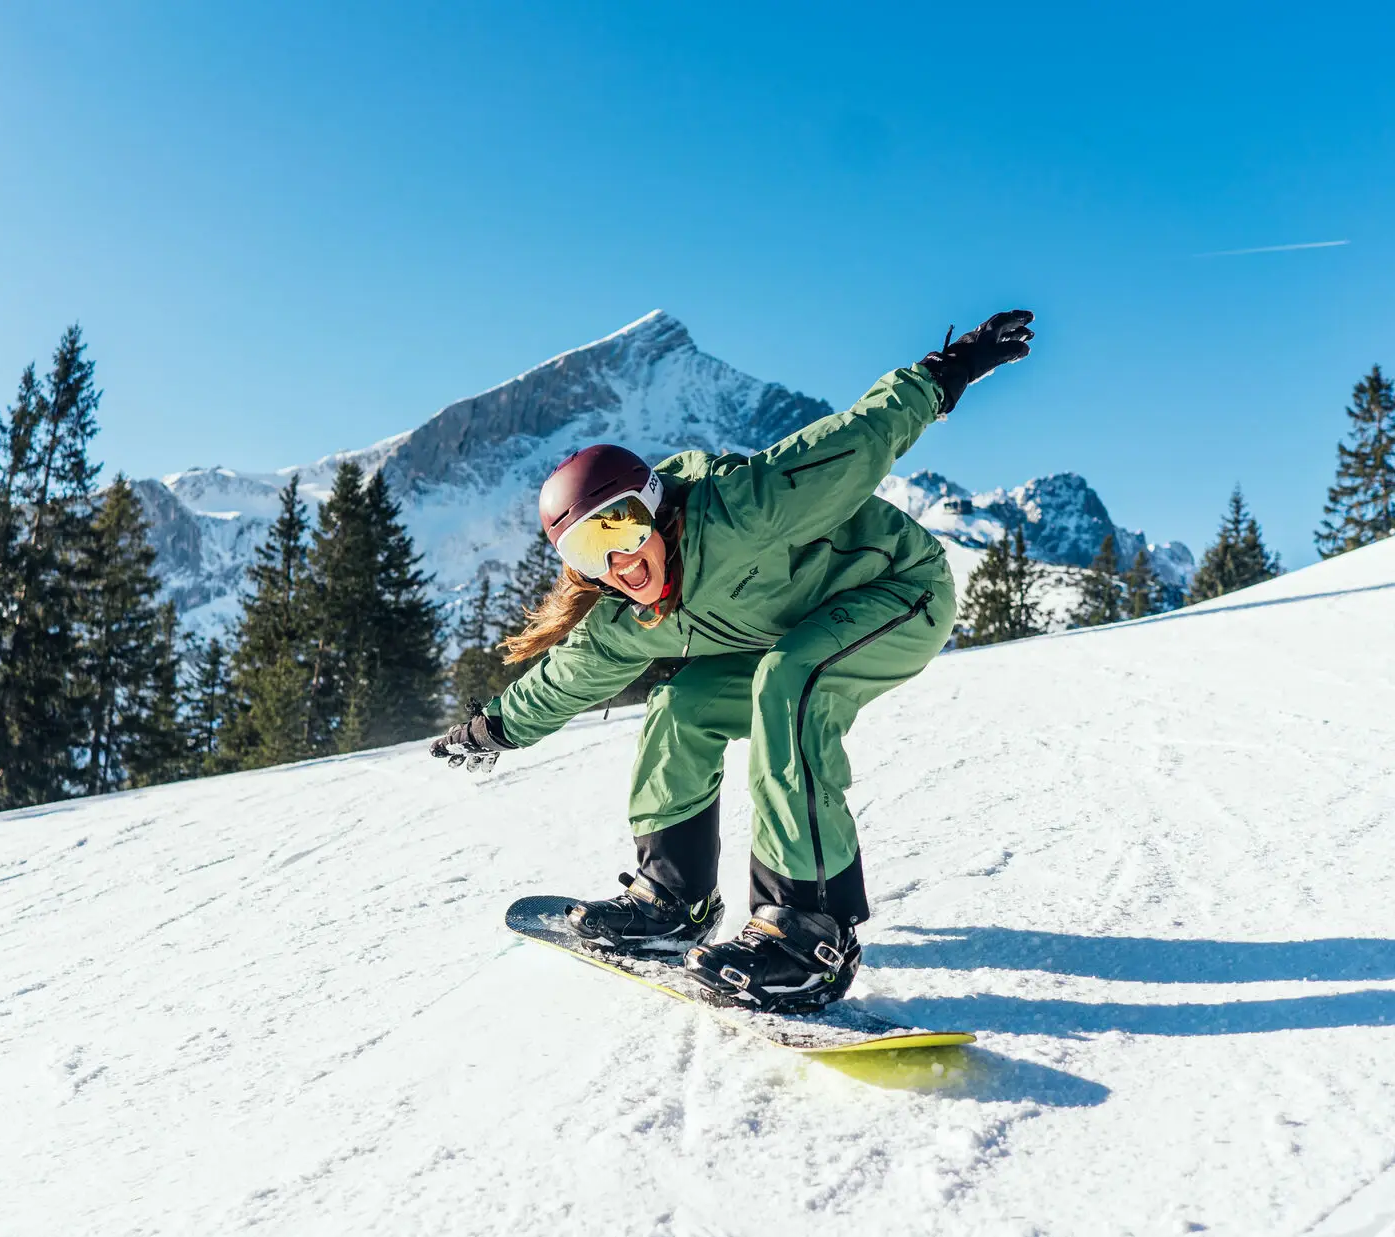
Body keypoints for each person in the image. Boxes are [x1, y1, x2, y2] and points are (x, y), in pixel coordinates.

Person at [430, 311, 1036, 1012]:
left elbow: (861, 437)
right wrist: (493, 728)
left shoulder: (743, 512)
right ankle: (673, 900)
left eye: (623, 526)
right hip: (798, 628)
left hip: (900, 592)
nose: (621, 562)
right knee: (679, 706)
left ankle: (809, 930)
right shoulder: (630, 616)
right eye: (590, 552)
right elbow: (568, 675)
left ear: (655, 508)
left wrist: (951, 368)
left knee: (790, 681)